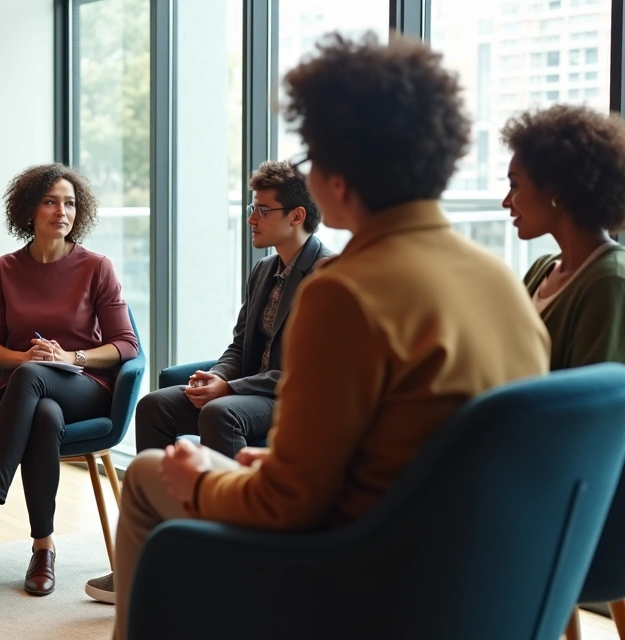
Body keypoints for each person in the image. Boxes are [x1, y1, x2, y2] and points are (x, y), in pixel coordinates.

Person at [98, 33, 551, 639]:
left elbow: (286, 506)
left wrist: (206, 481)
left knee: (157, 470)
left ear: (338, 174)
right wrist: (275, 465)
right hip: (480, 577)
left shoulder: (343, 291)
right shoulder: (499, 281)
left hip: (356, 577)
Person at [86, 160, 334, 604]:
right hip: (247, 389)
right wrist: (217, 375)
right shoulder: (263, 271)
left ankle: (229, 555)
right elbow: (239, 346)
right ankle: (155, 549)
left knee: (220, 411)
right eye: (251, 208)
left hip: (293, 398)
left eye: (262, 210)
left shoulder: (328, 275)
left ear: (297, 216)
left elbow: (309, 369)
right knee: (156, 405)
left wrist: (229, 390)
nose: (251, 219)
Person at [0, 163, 139, 596]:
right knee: (43, 413)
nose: (60, 211)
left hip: (84, 386)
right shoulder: (4, 269)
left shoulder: (97, 267)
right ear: (29, 210)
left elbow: (126, 345)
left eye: (69, 203)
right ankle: (43, 547)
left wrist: (70, 355)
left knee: (34, 379)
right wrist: (25, 356)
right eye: (50, 201)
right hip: (24, 392)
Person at [501, 104, 625, 370]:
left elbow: (589, 402)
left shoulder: (610, 280)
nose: (506, 201)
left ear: (557, 189)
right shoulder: (542, 269)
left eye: (514, 185)